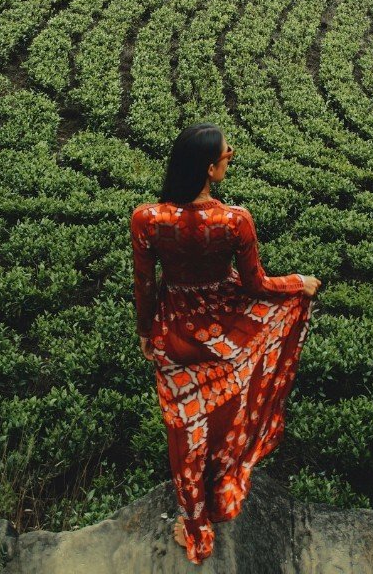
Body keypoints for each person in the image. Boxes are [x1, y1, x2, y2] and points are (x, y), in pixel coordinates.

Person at [130, 122, 321, 565]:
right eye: (224, 152)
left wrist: (145, 332)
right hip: (226, 329)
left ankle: (193, 520)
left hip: (173, 330)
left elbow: (144, 285)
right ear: (208, 168)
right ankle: (219, 485)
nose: (231, 153)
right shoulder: (235, 220)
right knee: (224, 409)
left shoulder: (148, 219)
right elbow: (256, 286)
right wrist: (299, 283)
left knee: (184, 427)